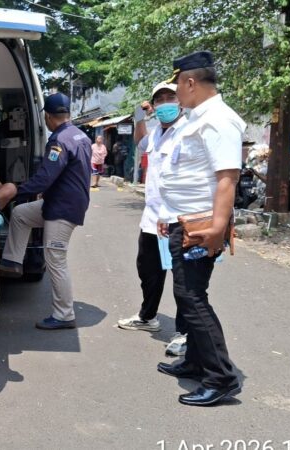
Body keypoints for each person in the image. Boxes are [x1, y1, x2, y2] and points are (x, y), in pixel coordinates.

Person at [156, 51, 244, 406]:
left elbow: (227, 178)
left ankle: (221, 377)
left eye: (177, 84)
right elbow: (187, 173)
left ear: (190, 82)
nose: (175, 92)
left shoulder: (219, 120)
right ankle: (195, 360)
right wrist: (168, 213)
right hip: (183, 220)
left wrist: (218, 227)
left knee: (193, 298)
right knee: (186, 295)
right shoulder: (197, 117)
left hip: (201, 226)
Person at [0, 92, 92, 330]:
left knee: (55, 260)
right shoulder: (80, 135)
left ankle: (64, 315)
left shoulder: (59, 140)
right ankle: (12, 262)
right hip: (60, 202)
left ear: (48, 117)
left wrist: (14, 192)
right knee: (21, 214)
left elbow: (44, 178)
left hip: (62, 209)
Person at [117, 82, 189, 357]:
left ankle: (185, 333)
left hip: (179, 217)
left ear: (181, 101)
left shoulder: (188, 131)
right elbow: (140, 142)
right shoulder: (157, 131)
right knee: (147, 269)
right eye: (160, 99)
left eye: (171, 97)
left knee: (183, 278)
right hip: (153, 217)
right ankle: (147, 317)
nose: (165, 103)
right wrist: (139, 118)